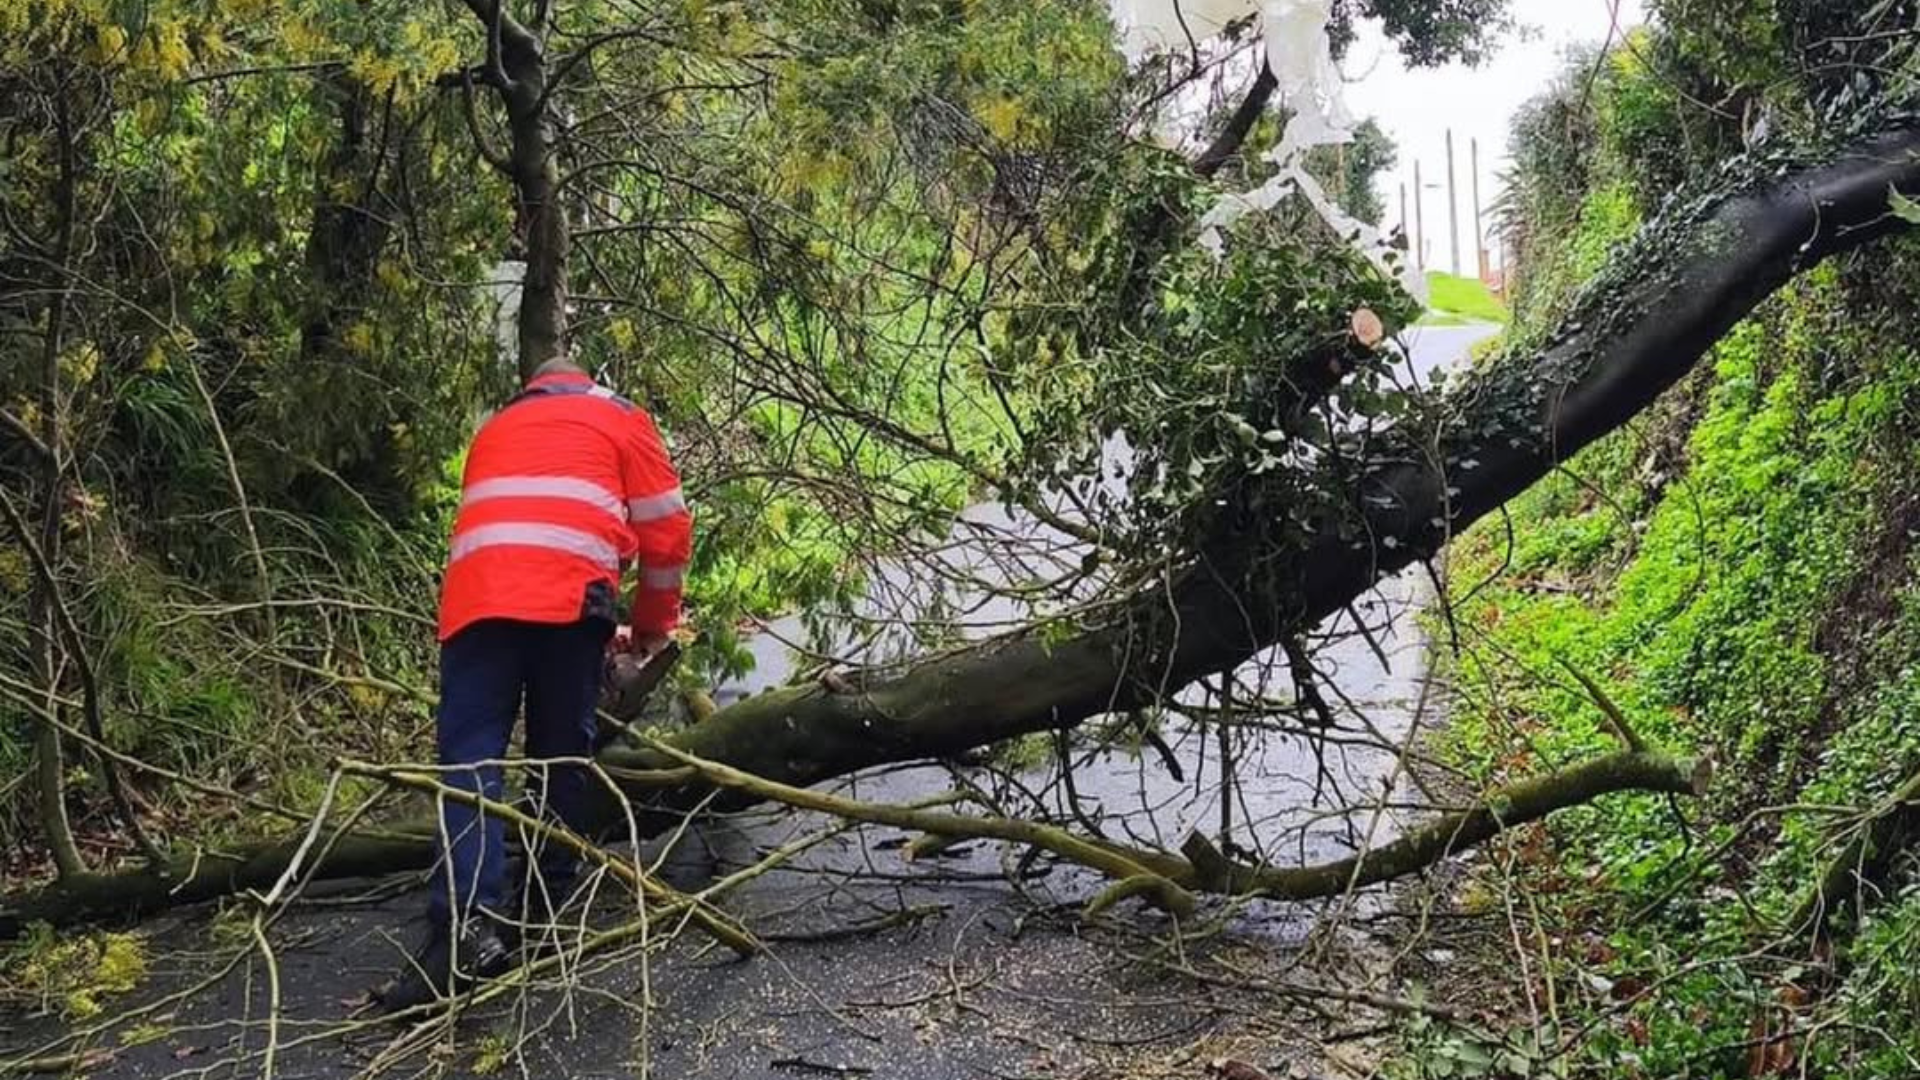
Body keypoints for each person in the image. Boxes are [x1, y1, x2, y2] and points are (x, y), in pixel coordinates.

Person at [376, 356, 691, 1011]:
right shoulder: (620, 417)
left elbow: (512, 535)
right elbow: (666, 532)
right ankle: (546, 906)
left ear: (534, 388)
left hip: (477, 603)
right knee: (558, 754)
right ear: (585, 382)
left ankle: (465, 931)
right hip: (568, 602)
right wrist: (652, 627)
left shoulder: (496, 427)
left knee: (469, 761)